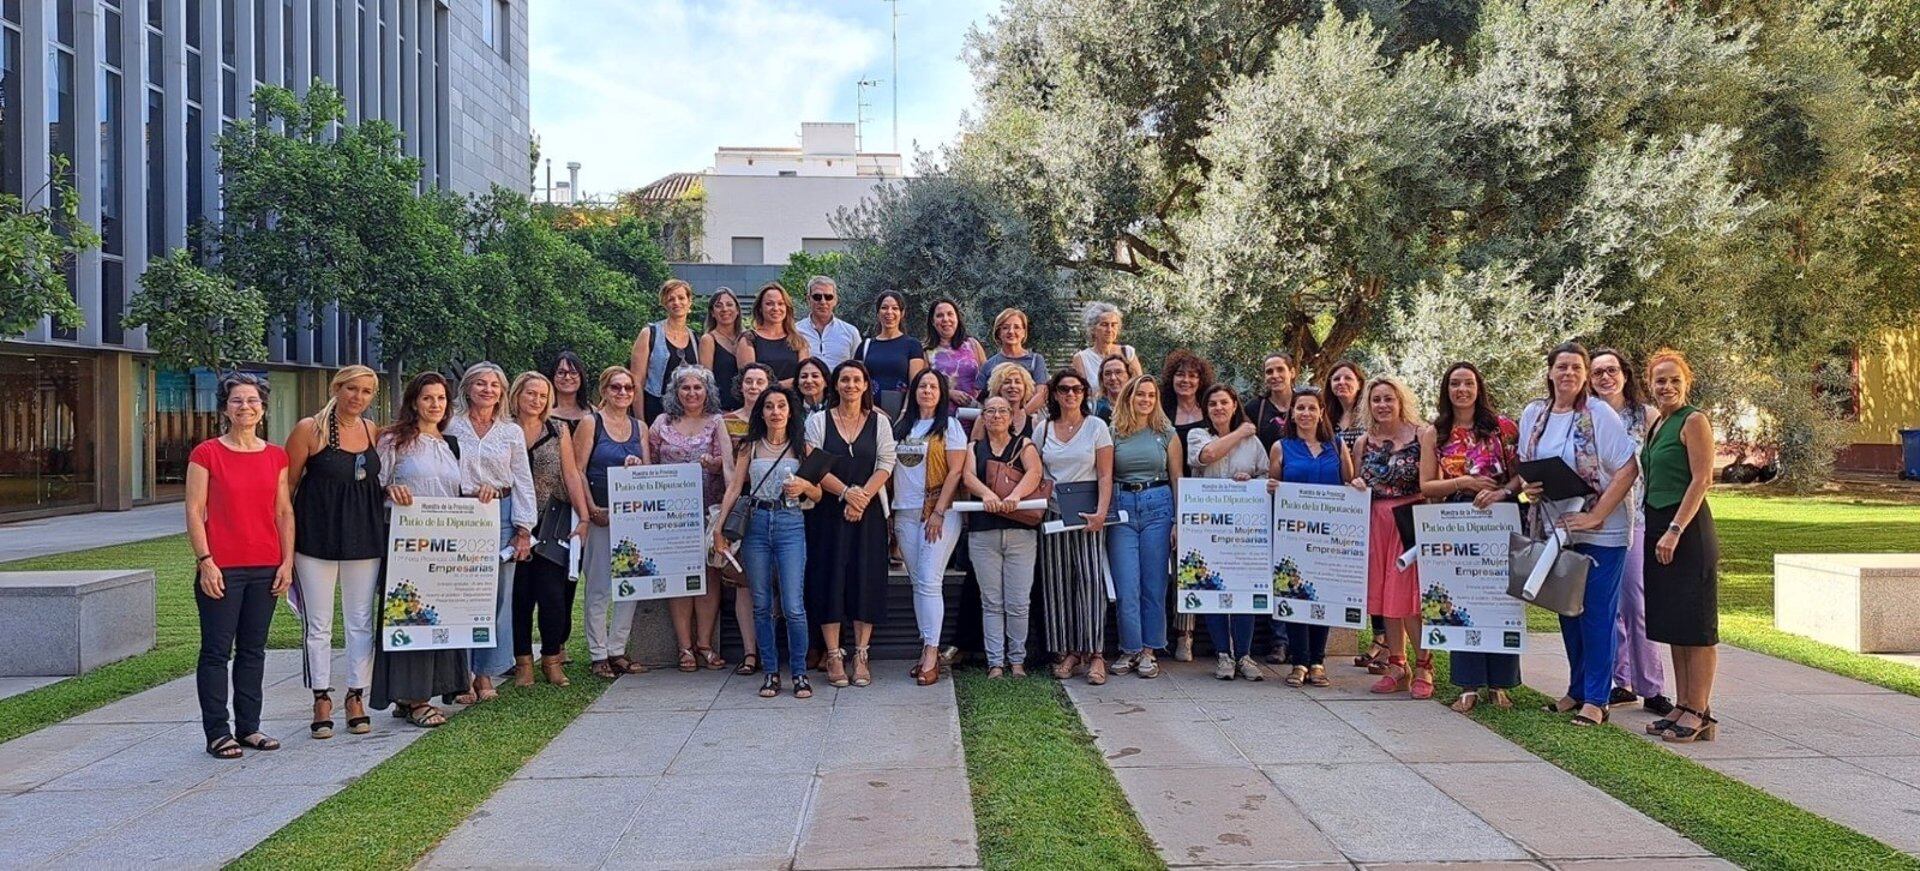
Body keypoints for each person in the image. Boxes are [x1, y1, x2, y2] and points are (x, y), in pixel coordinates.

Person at [1509, 342, 1640, 728]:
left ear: (1584, 375)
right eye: (1561, 366)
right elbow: (1528, 470)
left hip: (1603, 530)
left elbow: (1628, 469)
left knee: (1598, 612)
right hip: (1558, 527)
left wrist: (1597, 515)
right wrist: (1526, 488)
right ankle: (1576, 688)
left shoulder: (1599, 414)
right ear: (1549, 372)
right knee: (1569, 611)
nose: (1568, 373)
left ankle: (1598, 699)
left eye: (1576, 368)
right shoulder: (1535, 414)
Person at [186, 374, 294, 759]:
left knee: (253, 651)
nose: (245, 407)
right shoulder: (206, 453)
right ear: (225, 408)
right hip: (222, 568)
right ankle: (218, 732)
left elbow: (283, 511)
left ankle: (249, 727)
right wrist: (205, 562)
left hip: (266, 566)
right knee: (216, 651)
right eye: (237, 401)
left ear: (263, 409)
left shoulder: (276, 456)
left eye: (252, 401)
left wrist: (287, 561)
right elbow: (195, 512)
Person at [369, 372, 474, 729]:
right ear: (414, 401)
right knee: (408, 614)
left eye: (441, 398)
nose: (435, 404)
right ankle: (413, 699)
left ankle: (422, 692)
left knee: (438, 616)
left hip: (444, 546)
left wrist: (485, 494)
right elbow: (374, 487)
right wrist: (389, 493)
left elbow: (462, 491)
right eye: (428, 397)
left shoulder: (452, 444)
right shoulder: (393, 440)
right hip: (405, 544)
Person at [285, 365, 384, 739]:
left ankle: (356, 694)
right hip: (316, 537)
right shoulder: (308, 429)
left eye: (366, 392)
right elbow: (288, 488)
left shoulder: (372, 431)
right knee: (318, 624)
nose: (357, 397)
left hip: (364, 537)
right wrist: (287, 541)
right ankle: (321, 696)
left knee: (360, 621)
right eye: (351, 389)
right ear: (336, 388)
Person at [1417, 363, 1521, 712]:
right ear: (1447, 389)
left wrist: (1501, 493)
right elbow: (1426, 485)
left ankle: (1501, 684)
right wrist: (1465, 483)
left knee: (1500, 598)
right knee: (1461, 600)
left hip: (1500, 518)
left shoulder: (1502, 428)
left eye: (1468, 383)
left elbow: (1519, 477)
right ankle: (1468, 685)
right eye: (1455, 383)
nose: (1462, 389)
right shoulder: (1436, 432)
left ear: (1479, 387)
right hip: (1457, 519)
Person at [713, 386, 820, 699]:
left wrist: (804, 486)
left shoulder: (804, 447)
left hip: (790, 523)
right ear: (761, 412)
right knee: (761, 603)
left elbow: (818, 493)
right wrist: (720, 528)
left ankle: (799, 673)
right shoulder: (750, 446)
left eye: (781, 406)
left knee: (793, 605)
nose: (776, 412)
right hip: (757, 523)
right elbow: (734, 488)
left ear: (790, 411)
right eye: (769, 406)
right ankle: (771, 672)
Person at [443, 362, 536, 704]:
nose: (487, 390)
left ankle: (486, 673)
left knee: (496, 598)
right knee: (461, 596)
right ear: (467, 388)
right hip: (460, 515)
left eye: (494, 385)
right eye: (480, 384)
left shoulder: (511, 431)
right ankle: (461, 675)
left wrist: (524, 529)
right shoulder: (451, 426)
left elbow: (522, 479)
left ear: (502, 392)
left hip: (502, 515)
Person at [1641, 349, 1720, 743]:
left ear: (1686, 382)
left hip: (1686, 528)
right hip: (1658, 524)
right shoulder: (1658, 424)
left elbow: (1702, 479)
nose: (1667, 386)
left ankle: (1699, 709)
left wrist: (1674, 529)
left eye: (1674, 380)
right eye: (1660, 380)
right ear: (1650, 384)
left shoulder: (1694, 420)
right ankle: (1683, 702)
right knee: (1675, 621)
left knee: (1697, 623)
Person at [805, 360, 897, 688]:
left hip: (868, 513)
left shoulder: (879, 423)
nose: (851, 385)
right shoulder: (818, 421)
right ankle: (833, 654)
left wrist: (863, 498)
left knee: (865, 577)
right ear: (835, 385)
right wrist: (846, 494)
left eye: (857, 380)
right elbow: (813, 464)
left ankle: (860, 653)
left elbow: (886, 463)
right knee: (828, 578)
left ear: (866, 385)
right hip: (827, 512)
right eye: (845, 379)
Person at [1591, 348, 1671, 716]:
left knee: (1636, 603)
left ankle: (1651, 686)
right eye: (1597, 373)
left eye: (1612, 370)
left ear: (1625, 374)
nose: (1605, 378)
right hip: (1595, 521)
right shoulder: (1585, 416)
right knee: (1606, 606)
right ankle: (1619, 679)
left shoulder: (1647, 417)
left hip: (1636, 518)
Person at [1267, 387, 1355, 687]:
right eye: (1300, 408)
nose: (1305, 413)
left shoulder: (1337, 445)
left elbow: (1349, 483)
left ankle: (1317, 660)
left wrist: (1357, 485)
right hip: (1293, 537)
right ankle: (1299, 662)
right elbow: (1272, 485)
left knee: (1323, 595)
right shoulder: (1281, 447)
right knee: (1296, 594)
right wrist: (1270, 488)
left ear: (1321, 413)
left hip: (1328, 537)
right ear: (1292, 413)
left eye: (1311, 408)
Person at [649, 365, 734, 673]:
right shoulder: (662, 422)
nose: (692, 393)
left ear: (707, 391)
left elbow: (727, 464)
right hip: (672, 516)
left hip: (708, 510)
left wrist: (713, 464)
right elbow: (650, 463)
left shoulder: (717, 422)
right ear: (676, 391)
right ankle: (684, 647)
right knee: (679, 578)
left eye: (698, 388)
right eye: (685, 388)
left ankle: (705, 644)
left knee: (709, 577)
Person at [510, 371, 592, 687]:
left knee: (553, 596)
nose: (536, 400)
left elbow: (571, 474)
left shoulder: (557, 430)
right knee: (519, 597)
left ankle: (552, 658)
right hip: (514, 522)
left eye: (543, 395)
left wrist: (583, 518)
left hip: (551, 521)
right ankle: (522, 664)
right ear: (517, 394)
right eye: (531, 393)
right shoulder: (504, 430)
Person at [1354, 376, 1432, 698]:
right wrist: (1356, 485)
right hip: (1376, 520)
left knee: (1409, 598)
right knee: (1385, 596)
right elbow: (1356, 480)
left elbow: (1430, 481)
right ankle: (1398, 665)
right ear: (1368, 405)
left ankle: (1425, 663)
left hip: (1408, 519)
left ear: (1400, 401)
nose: (1382, 405)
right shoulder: (1363, 442)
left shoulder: (1422, 434)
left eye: (1388, 399)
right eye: (1376, 400)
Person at [572, 366, 653, 679]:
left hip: (631, 517)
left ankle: (617, 649)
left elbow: (647, 472)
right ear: (604, 391)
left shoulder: (640, 427)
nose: (622, 393)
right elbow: (578, 470)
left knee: (630, 585)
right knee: (599, 587)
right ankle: (597, 653)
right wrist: (590, 510)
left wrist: (636, 465)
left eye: (628, 389)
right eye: (616, 388)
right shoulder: (591, 423)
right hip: (600, 513)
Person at [1037, 370, 1114, 685]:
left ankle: (1095, 652)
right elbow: (1037, 472)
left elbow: (1106, 475)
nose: (1071, 394)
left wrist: (1101, 512)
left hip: (1088, 514)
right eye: (1064, 389)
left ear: (1085, 393)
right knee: (1057, 583)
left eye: (1077, 389)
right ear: (1055, 394)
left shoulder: (1097, 427)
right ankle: (1068, 651)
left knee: (1090, 581)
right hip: (1054, 513)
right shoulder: (1043, 429)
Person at [1187, 384, 1268, 681]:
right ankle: (1223, 655)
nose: (1219, 408)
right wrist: (1240, 432)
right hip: (1207, 528)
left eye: (1224, 402)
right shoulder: (1198, 435)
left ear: (1234, 405)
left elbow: (1267, 474)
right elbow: (1206, 456)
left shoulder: (1254, 443)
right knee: (1213, 589)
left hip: (1244, 529)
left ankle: (1244, 656)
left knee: (1243, 589)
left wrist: (1252, 478)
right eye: (1213, 404)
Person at [892, 368, 967, 684]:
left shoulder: (949, 426)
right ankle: (927, 647)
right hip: (904, 513)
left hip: (937, 513)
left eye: (933, 386)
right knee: (917, 582)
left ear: (942, 393)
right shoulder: (900, 426)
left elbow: (955, 472)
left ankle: (932, 653)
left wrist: (938, 511)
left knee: (929, 580)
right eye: (922, 385)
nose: (927, 390)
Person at [963, 395, 1046, 679]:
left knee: (1019, 601)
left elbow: (1035, 472)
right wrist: (986, 493)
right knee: (991, 600)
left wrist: (1014, 495)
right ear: (983, 417)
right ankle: (995, 662)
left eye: (1002, 411)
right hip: (983, 532)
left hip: (1020, 533)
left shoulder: (1024, 444)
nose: (996, 415)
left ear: (1011, 417)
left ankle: (1017, 660)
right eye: (990, 411)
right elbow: (967, 477)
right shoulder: (974, 447)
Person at [1107, 374, 1183, 679]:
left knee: (1154, 584)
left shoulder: (1166, 433)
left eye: (1152, 396)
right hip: (1123, 506)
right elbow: (1104, 475)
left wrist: (1178, 519)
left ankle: (1150, 650)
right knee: (1126, 585)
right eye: (1141, 395)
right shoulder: (1113, 432)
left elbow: (1177, 478)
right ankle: (1130, 649)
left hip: (1158, 505)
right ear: (1129, 397)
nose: (1146, 400)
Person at [1322, 359, 1383, 670]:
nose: (1341, 383)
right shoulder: (1328, 417)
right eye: (1336, 379)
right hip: (1335, 505)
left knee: (1375, 571)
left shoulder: (1370, 415)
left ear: (1359, 383)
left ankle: (1381, 639)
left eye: (1347, 378)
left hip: (1367, 501)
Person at [1159, 349, 1213, 662]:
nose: (1186, 380)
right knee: (1170, 565)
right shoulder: (1163, 409)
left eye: (1192, 375)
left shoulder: (1213, 405)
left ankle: (1186, 635)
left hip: (1208, 497)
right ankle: (1166, 632)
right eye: (1181, 375)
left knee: (1191, 565)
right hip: (1169, 492)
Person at [631, 278, 702, 423]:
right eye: (671, 299)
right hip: (655, 411)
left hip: (686, 414)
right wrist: (640, 421)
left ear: (689, 302)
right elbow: (637, 381)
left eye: (681, 298)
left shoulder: (695, 338)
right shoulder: (649, 334)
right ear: (665, 303)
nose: (676, 302)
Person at [857, 290, 926, 401]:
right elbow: (856, 382)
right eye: (884, 308)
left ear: (902, 313)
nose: (889, 312)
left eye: (895, 308)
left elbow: (915, 385)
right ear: (878, 313)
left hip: (901, 413)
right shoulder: (865, 346)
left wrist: (904, 412)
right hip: (869, 412)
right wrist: (869, 408)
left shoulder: (913, 346)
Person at [736, 282, 810, 387]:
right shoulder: (749, 339)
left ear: (787, 308)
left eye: (780, 303)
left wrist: (771, 385)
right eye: (769, 303)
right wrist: (786, 385)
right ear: (760, 308)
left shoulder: (798, 340)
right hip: (761, 401)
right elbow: (750, 382)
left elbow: (805, 378)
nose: (775, 308)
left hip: (793, 402)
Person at [981, 308, 1048, 413]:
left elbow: (1042, 394)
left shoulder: (1036, 360)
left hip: (1029, 421)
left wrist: (1022, 414)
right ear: (998, 333)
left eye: (1017, 327)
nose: (1011, 331)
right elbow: (980, 398)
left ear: (1023, 332)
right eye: (1005, 328)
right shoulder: (989, 364)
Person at [924, 297, 987, 406]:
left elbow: (988, 377)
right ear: (933, 322)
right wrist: (948, 393)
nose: (945, 319)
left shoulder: (972, 345)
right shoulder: (926, 351)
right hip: (942, 415)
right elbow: (922, 386)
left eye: (950, 314)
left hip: (975, 414)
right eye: (939, 315)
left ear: (957, 318)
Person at [794, 276, 862, 368]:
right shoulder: (795, 331)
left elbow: (859, 369)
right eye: (817, 297)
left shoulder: (850, 332)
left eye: (828, 297)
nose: (823, 301)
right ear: (808, 299)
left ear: (835, 300)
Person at [700, 287, 747, 412]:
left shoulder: (747, 338)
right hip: (720, 410)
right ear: (712, 312)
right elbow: (706, 381)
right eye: (719, 306)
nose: (724, 309)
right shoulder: (708, 340)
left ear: (737, 310)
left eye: (729, 304)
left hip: (747, 409)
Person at [1072, 301, 1142, 384]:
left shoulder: (1127, 353)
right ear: (1093, 329)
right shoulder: (1081, 358)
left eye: (1113, 325)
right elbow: (1082, 391)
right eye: (1104, 324)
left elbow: (1139, 385)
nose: (1109, 330)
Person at [976, 362, 1040, 442]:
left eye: (1017, 382)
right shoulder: (983, 419)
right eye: (1007, 382)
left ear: (1025, 388)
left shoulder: (1034, 422)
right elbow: (974, 450)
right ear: (998, 387)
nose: (1013, 386)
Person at [1249, 352, 1298, 450]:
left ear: (1292, 373)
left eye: (1280, 369)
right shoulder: (1254, 408)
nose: (1275, 375)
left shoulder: (1306, 404)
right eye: (1269, 372)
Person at [725, 363, 775, 440]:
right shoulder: (726, 421)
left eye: (760, 382)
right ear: (741, 386)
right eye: (748, 382)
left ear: (768, 387)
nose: (753, 386)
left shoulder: (777, 419)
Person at [548, 351, 592, 433]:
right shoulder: (541, 413)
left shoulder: (593, 413)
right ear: (552, 376)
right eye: (561, 373)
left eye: (573, 373)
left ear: (581, 377)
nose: (567, 377)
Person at [1094, 354, 1129, 421]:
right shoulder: (1095, 408)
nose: (1113, 378)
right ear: (1102, 379)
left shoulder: (1137, 405)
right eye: (1107, 373)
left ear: (1129, 376)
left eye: (1118, 372)